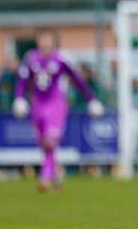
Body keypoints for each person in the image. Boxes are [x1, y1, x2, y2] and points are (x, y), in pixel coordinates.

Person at [14, 29, 104, 191]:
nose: (45, 43)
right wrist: (19, 98)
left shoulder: (61, 59)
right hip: (38, 104)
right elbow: (22, 80)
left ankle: (45, 177)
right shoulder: (31, 58)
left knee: (50, 141)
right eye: (43, 39)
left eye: (48, 39)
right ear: (38, 41)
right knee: (44, 143)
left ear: (54, 42)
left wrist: (91, 99)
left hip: (56, 103)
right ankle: (56, 174)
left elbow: (77, 80)